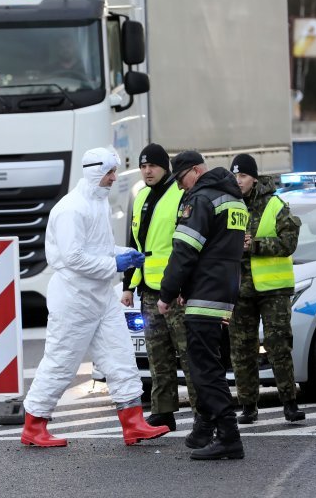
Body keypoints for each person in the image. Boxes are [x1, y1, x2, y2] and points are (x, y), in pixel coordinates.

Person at [22, 147, 171, 448]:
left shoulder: (96, 204)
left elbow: (97, 248)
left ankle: (134, 424)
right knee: (61, 362)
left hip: (100, 296)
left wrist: (122, 254)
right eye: (110, 173)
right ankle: (34, 425)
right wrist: (113, 264)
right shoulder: (71, 209)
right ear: (94, 172)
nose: (114, 178)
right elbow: (73, 257)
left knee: (120, 357)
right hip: (75, 298)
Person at [157, 151, 247, 460]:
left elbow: (185, 251)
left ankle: (229, 436)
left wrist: (167, 293)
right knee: (212, 365)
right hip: (223, 295)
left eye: (182, 180)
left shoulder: (201, 200)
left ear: (196, 170)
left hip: (205, 298)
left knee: (204, 370)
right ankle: (204, 429)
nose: (182, 188)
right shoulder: (234, 199)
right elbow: (219, 251)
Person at [121, 143, 197, 432]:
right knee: (158, 354)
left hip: (177, 289)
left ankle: (202, 411)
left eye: (151, 165)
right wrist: (129, 286)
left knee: (188, 354)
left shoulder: (180, 194)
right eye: (142, 166)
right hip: (150, 290)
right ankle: (163, 411)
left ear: (165, 166)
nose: (146, 171)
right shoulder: (140, 197)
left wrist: (184, 284)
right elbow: (135, 245)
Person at [227, 153, 305, 425]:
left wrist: (255, 245)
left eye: (243, 176)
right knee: (242, 350)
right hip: (240, 290)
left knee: (278, 346)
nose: (238, 181)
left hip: (273, 290)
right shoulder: (228, 206)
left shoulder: (274, 204)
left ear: (254, 177)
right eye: (235, 176)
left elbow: (289, 243)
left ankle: (290, 403)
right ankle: (248, 406)